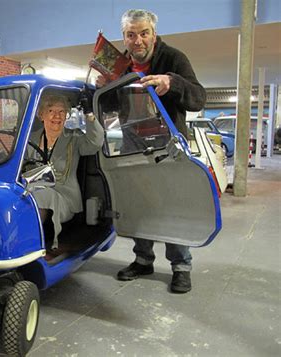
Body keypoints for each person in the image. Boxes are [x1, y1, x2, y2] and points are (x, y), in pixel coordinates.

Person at [97, 9, 206, 293]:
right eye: (131, 34)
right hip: (132, 146)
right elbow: (111, 111)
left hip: (168, 146)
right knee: (139, 202)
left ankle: (181, 266)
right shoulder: (119, 68)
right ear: (124, 36)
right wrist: (103, 90)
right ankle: (143, 259)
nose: (138, 40)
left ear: (153, 34)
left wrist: (173, 83)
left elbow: (199, 98)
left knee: (172, 205)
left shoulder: (174, 59)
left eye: (144, 33)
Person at [28, 93, 104, 251]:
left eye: (61, 111)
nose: (56, 116)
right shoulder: (31, 138)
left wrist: (89, 115)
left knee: (41, 195)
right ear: (41, 115)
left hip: (64, 194)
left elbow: (95, 142)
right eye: (51, 111)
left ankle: (31, 243)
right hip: (32, 187)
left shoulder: (74, 136)